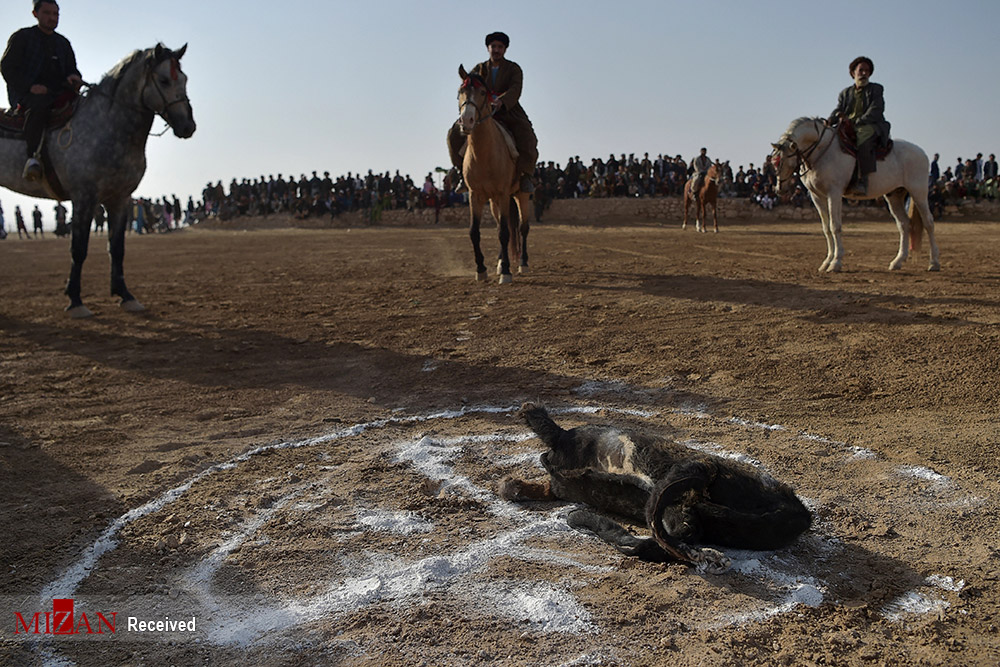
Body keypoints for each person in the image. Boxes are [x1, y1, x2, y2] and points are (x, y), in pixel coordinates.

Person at [447, 31, 539, 194]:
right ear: (488, 48)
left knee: (527, 135)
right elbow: (469, 87)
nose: (496, 50)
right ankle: (462, 172)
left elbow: (515, 89)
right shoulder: (479, 68)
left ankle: (525, 175)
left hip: (507, 110)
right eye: (493, 46)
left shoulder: (513, 69)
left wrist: (502, 101)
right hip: (481, 111)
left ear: (505, 49)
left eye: (500, 47)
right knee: (453, 134)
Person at [1, 0, 83, 181]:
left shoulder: (63, 43)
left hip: (59, 92)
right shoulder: (22, 37)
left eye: (56, 14)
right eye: (47, 13)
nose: (52, 18)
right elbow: (7, 67)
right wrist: (30, 87)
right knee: (40, 106)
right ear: (35, 14)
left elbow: (72, 69)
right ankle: (33, 158)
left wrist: (74, 77)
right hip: (27, 94)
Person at [826, 56, 890, 196]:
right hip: (848, 125)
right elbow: (839, 109)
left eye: (867, 71)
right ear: (853, 73)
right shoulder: (845, 93)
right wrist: (830, 120)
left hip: (871, 125)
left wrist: (855, 121)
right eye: (861, 70)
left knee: (863, 139)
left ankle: (862, 181)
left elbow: (876, 110)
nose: (864, 73)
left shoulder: (876, 89)